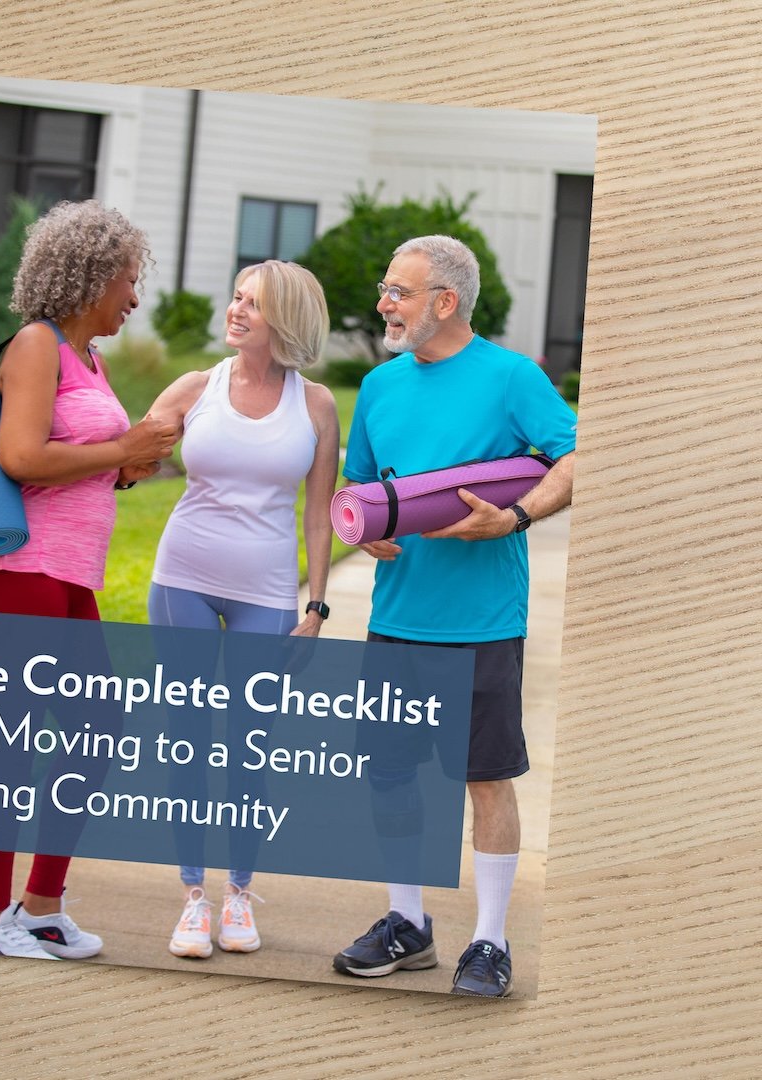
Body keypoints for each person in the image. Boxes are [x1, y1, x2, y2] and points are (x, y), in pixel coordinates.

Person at [331, 235, 576, 996]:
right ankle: (408, 924)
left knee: (487, 780)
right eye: (384, 289)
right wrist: (367, 532)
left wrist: (520, 516)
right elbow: (362, 485)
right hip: (399, 617)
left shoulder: (511, 377)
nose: (383, 304)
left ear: (445, 300)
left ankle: (491, 941)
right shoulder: (379, 386)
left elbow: (576, 455)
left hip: (481, 622)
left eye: (397, 291)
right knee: (392, 777)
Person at [0, 200, 177, 959]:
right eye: (129, 281)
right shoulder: (38, 346)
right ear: (92, 276)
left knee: (94, 727)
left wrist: (131, 466)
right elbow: (20, 458)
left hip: (68, 570)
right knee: (13, 737)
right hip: (14, 563)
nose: (134, 299)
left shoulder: (91, 360)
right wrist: (122, 451)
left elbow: (80, 468)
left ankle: (40, 908)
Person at [144, 260, 340, 959]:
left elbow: (319, 513)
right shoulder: (198, 387)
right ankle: (194, 897)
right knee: (190, 737)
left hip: (265, 592)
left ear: (281, 319)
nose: (235, 311)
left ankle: (240, 892)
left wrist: (315, 606)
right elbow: (128, 454)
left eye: (251, 304)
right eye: (235, 297)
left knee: (252, 744)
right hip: (183, 578)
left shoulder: (315, 405)